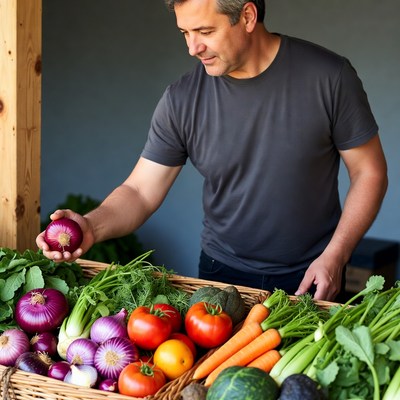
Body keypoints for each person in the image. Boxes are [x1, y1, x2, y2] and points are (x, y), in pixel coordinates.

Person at [36, 0, 388, 301]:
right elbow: (140, 191)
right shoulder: (181, 99)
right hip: (220, 278)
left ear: (247, 17)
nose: (192, 48)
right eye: (185, 34)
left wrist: (337, 256)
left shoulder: (329, 77)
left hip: (313, 273)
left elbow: (368, 171)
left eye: (205, 32)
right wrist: (92, 226)